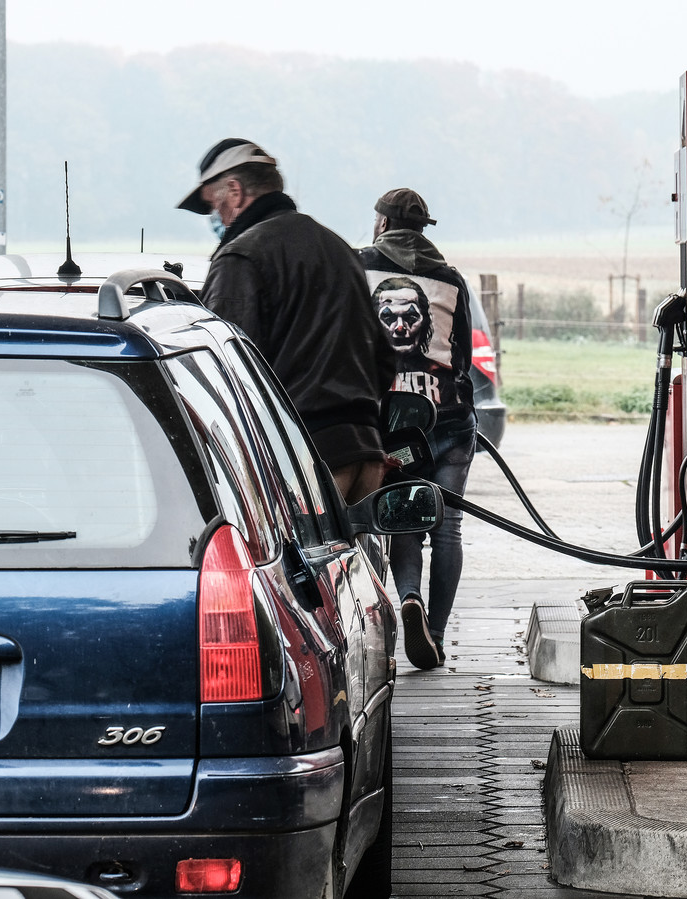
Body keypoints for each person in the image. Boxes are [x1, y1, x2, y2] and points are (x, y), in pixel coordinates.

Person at [179, 138, 395, 503]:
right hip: (365, 458)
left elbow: (225, 373)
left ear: (234, 191)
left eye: (214, 204)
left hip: (301, 462)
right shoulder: (338, 248)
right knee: (351, 563)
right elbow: (385, 359)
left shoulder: (241, 257)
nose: (216, 217)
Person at [358, 188, 476, 671]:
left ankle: (409, 599)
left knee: (405, 521)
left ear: (382, 224)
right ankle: (438, 634)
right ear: (423, 228)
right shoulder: (449, 278)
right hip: (448, 422)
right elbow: (463, 354)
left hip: (396, 428)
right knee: (447, 530)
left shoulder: (360, 265)